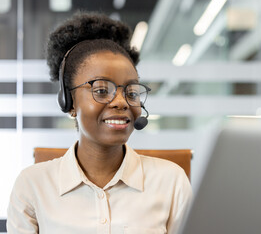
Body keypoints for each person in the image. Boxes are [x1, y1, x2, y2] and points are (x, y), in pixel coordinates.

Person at [7, 12, 192, 234]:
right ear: (69, 102)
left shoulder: (171, 181)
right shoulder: (32, 185)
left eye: (131, 92)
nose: (122, 102)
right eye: (102, 90)